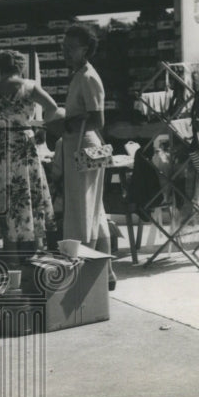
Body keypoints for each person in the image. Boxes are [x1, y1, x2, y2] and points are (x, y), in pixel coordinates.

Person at [0, 50, 62, 260]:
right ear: (20, 67)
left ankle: (9, 249)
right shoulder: (30, 86)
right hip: (23, 143)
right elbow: (54, 109)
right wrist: (41, 128)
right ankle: (29, 247)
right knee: (26, 192)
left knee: (3, 192)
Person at [60, 23, 116, 289]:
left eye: (70, 48)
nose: (65, 52)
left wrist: (67, 123)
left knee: (82, 213)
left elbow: (98, 119)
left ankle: (85, 277)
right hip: (82, 146)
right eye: (64, 47)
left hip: (84, 146)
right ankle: (107, 273)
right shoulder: (79, 74)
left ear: (85, 49)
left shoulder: (88, 77)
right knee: (96, 212)